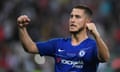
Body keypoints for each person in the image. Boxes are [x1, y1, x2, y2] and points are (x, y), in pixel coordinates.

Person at [17, 5, 110, 72]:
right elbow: (30, 47)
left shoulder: (93, 45)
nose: (72, 20)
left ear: (88, 22)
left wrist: (96, 35)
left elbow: (105, 58)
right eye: (71, 16)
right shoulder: (58, 44)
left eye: (77, 17)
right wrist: (22, 28)